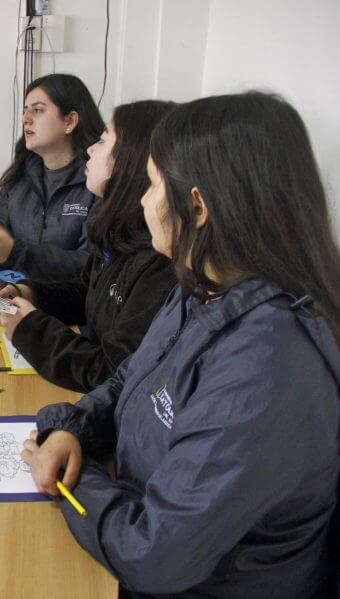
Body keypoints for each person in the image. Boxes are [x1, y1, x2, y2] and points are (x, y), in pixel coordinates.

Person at [22, 92, 340, 597]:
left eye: (151, 185)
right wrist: (71, 429)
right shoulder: (203, 286)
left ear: (196, 206)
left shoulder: (268, 366)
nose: (144, 201)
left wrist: (70, 480)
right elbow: (133, 377)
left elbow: (154, 553)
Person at [0, 100, 176, 392]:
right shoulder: (119, 231)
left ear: (133, 161)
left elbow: (111, 371)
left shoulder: (160, 262)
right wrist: (31, 293)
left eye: (104, 140)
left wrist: (31, 328)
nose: (92, 149)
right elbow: (87, 293)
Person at [0, 73, 104, 283]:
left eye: (37, 110)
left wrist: (16, 252)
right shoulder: (18, 178)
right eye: (25, 110)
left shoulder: (97, 183)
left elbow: (90, 264)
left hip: (66, 310)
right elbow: (4, 254)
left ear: (70, 121)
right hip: (13, 300)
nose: (25, 118)